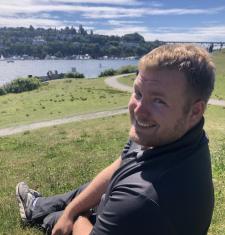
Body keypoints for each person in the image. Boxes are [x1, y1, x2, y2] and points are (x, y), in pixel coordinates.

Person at [16, 44, 215, 235]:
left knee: (56, 220)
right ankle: (37, 206)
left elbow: (129, 201)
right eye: (138, 93)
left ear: (195, 111)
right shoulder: (182, 135)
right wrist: (71, 211)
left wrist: (77, 217)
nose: (138, 110)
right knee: (82, 194)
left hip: (127, 217)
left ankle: (39, 212)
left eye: (158, 101)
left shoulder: (140, 200)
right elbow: (123, 162)